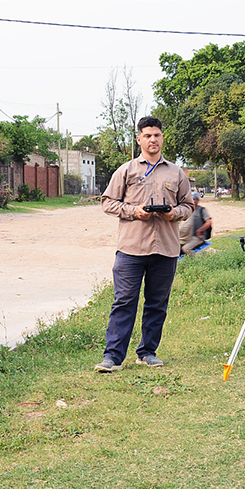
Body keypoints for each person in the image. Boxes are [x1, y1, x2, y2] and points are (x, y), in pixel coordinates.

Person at [94, 116, 194, 373]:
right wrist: (133, 211)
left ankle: (147, 352)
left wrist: (175, 213)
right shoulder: (126, 170)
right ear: (139, 139)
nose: (153, 140)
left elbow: (188, 205)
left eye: (157, 135)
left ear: (163, 138)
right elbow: (107, 202)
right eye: (147, 135)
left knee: (157, 303)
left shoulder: (176, 172)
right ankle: (113, 357)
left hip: (166, 249)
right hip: (131, 248)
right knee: (124, 301)